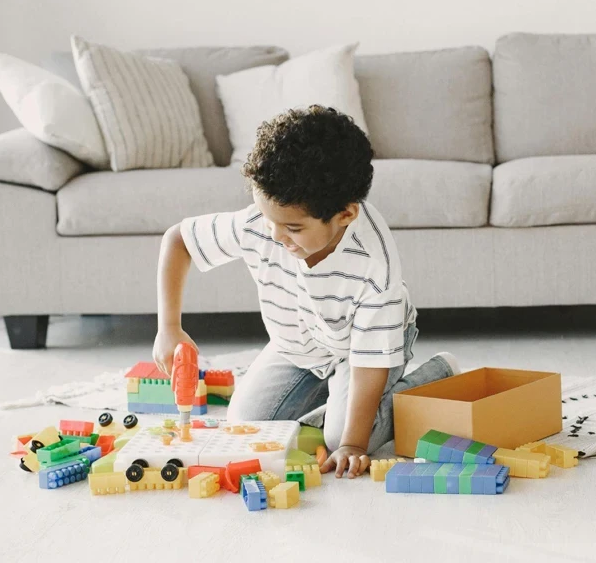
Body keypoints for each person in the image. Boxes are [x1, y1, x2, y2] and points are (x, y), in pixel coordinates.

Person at [153, 105, 459, 478]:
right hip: (298, 345)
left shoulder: (375, 270)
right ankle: (329, 400)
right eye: (268, 219)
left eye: (294, 229)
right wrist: (169, 326)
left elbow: (368, 367)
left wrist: (353, 444)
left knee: (340, 438)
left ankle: (439, 374)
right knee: (247, 422)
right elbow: (178, 241)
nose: (276, 236)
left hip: (362, 351)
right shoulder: (260, 223)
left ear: (345, 214)